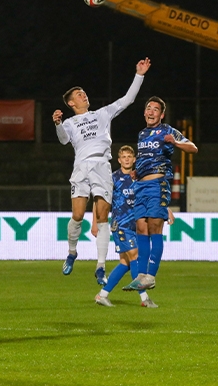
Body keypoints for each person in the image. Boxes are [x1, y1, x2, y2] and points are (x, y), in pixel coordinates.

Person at [53, 57, 151, 283]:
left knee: (102, 216)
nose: (83, 95)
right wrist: (58, 124)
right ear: (71, 103)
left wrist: (139, 75)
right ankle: (72, 252)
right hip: (81, 166)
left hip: (102, 165)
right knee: (77, 215)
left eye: (84, 92)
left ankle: (100, 267)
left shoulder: (102, 114)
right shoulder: (68, 123)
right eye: (79, 94)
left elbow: (128, 99)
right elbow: (63, 140)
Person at [124, 97, 197, 292]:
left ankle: (151, 275)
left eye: (155, 109)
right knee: (141, 228)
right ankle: (141, 274)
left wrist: (175, 142)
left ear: (161, 114)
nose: (150, 111)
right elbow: (144, 157)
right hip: (140, 186)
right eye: (148, 108)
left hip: (157, 184)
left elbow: (193, 148)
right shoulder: (142, 134)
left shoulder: (168, 131)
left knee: (155, 227)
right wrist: (137, 171)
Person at [92, 145, 156, 307]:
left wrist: (166, 209)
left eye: (129, 156)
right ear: (119, 160)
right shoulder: (112, 178)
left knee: (125, 263)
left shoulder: (140, 177)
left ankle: (102, 295)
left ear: (134, 159)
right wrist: (95, 222)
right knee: (135, 257)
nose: (127, 159)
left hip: (137, 226)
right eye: (124, 157)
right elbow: (99, 200)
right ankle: (144, 298)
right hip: (121, 225)